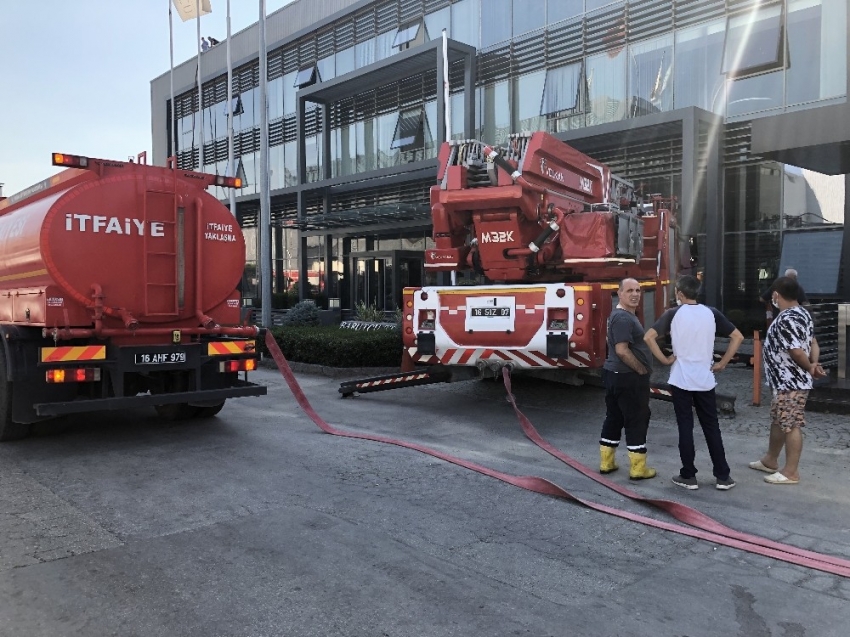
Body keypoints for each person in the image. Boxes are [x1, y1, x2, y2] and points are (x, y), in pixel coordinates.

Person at [644, 275, 744, 491]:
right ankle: (723, 476)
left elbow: (649, 337)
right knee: (712, 427)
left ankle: (688, 475)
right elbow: (738, 337)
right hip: (705, 379)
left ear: (680, 294)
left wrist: (664, 359)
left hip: (681, 379)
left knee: (685, 427)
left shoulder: (673, 313)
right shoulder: (712, 313)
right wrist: (723, 362)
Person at [750, 277, 825, 485]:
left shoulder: (788, 319)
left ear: (776, 295)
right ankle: (770, 459)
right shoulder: (803, 314)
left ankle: (791, 471)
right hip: (784, 381)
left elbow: (796, 350)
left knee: (790, 424)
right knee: (779, 419)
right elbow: (813, 343)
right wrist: (814, 363)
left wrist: (810, 366)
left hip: (791, 381)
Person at [598, 278, 656, 480]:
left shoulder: (621, 316)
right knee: (636, 419)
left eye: (638, 290)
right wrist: (641, 369)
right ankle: (638, 468)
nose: (635, 294)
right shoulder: (623, 318)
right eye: (630, 290)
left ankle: (607, 462)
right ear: (619, 293)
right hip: (627, 377)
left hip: (614, 375)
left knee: (614, 417)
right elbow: (621, 350)